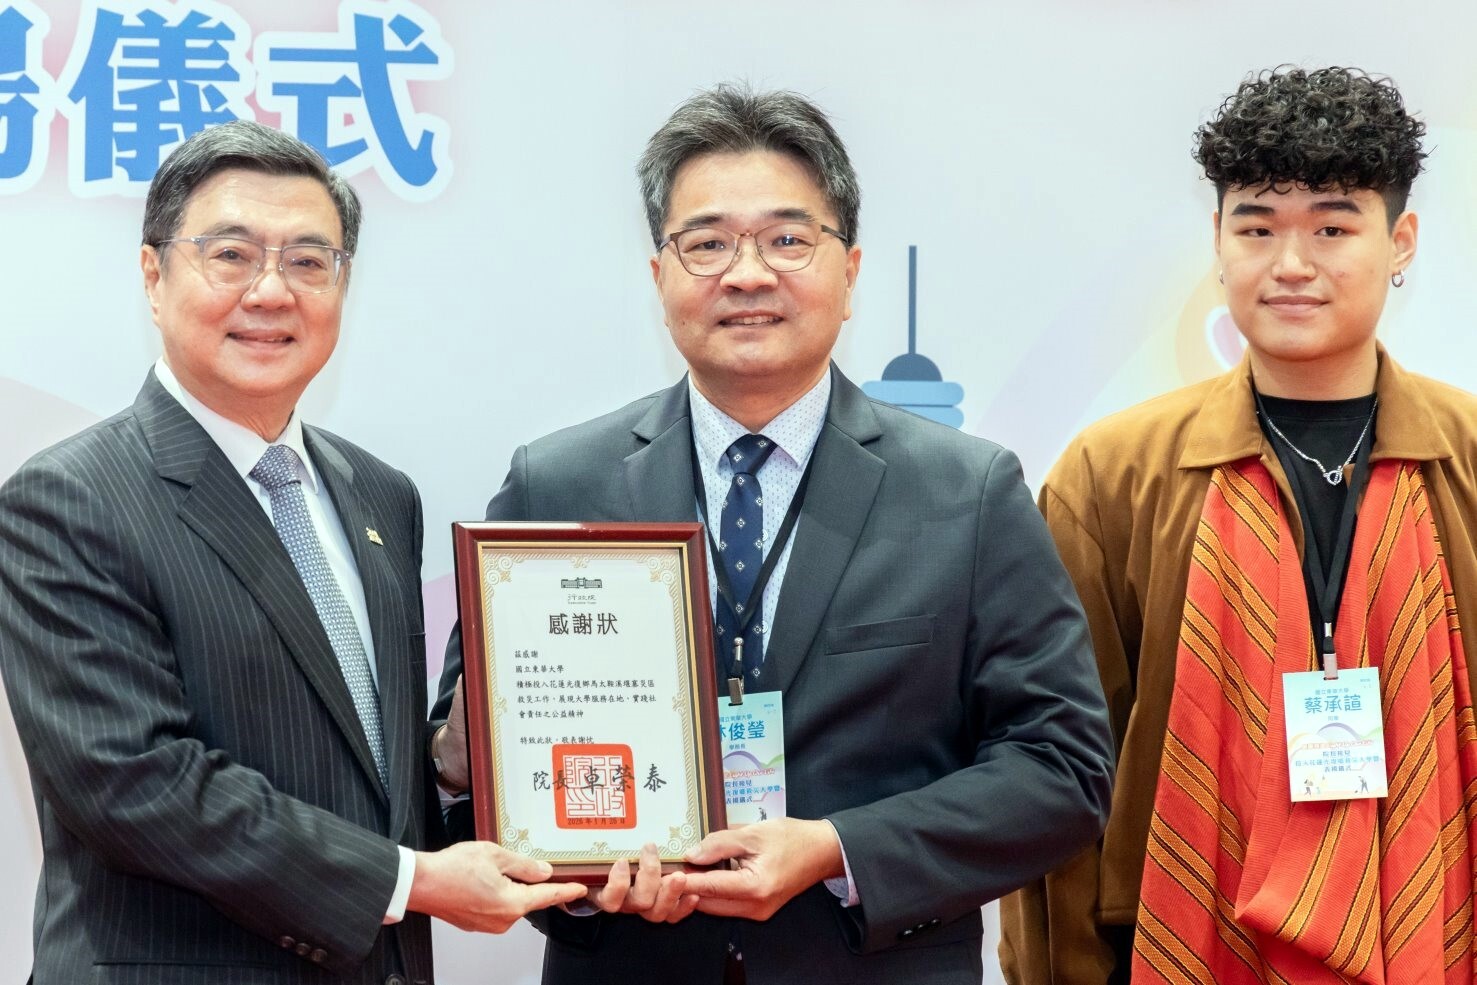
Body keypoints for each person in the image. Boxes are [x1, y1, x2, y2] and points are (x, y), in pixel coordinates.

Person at [432, 84, 1114, 985]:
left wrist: (836, 847)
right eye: (706, 243)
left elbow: (1062, 771)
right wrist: (547, 840)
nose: (746, 274)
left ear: (849, 272)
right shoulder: (557, 483)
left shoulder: (967, 492)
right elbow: (460, 781)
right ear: (659, 276)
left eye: (788, 240)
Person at [0, 120, 585, 985]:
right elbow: (134, 784)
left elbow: (360, 770)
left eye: (310, 261)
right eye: (231, 255)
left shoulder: (379, 493)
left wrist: (449, 766)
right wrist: (413, 880)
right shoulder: (68, 498)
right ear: (154, 276)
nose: (272, 291)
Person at [1000, 66, 1477, 984]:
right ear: (1216, 242)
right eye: (1256, 227)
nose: (1290, 264)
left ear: (1400, 240)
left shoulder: (1465, 455)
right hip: (1172, 935)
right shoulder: (1111, 473)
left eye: (1332, 228)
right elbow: (1057, 764)